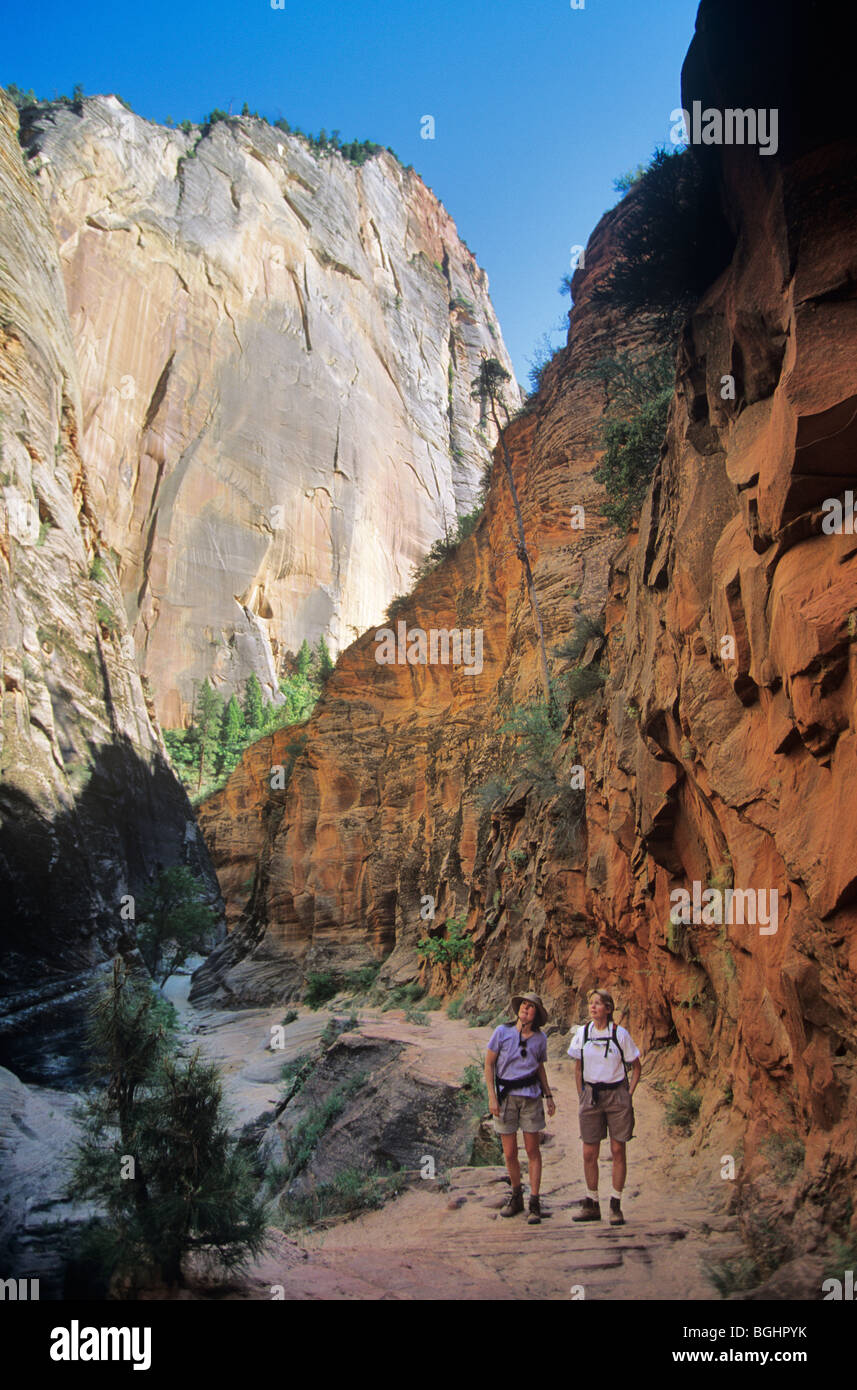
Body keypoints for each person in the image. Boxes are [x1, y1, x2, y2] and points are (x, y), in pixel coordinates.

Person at [568, 989, 641, 1226]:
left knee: (618, 1151)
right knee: (589, 1152)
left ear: (608, 1009)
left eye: (598, 1004)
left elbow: (636, 1066)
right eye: (591, 1003)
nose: (593, 1007)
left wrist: (628, 1095)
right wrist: (581, 1094)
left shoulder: (620, 1034)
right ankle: (592, 1203)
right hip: (591, 1095)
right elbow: (578, 1067)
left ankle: (615, 1204)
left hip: (617, 1095)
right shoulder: (583, 1033)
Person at [485, 992, 556, 1225]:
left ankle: (534, 1201)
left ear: (536, 1015)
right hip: (506, 1097)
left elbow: (539, 1068)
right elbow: (489, 1064)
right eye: (524, 1004)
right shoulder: (501, 1032)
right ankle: (516, 1196)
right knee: (509, 1152)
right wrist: (492, 1097)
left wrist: (549, 1095)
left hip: (530, 1097)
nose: (526, 1008)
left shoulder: (539, 1039)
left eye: (531, 1006)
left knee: (532, 1151)